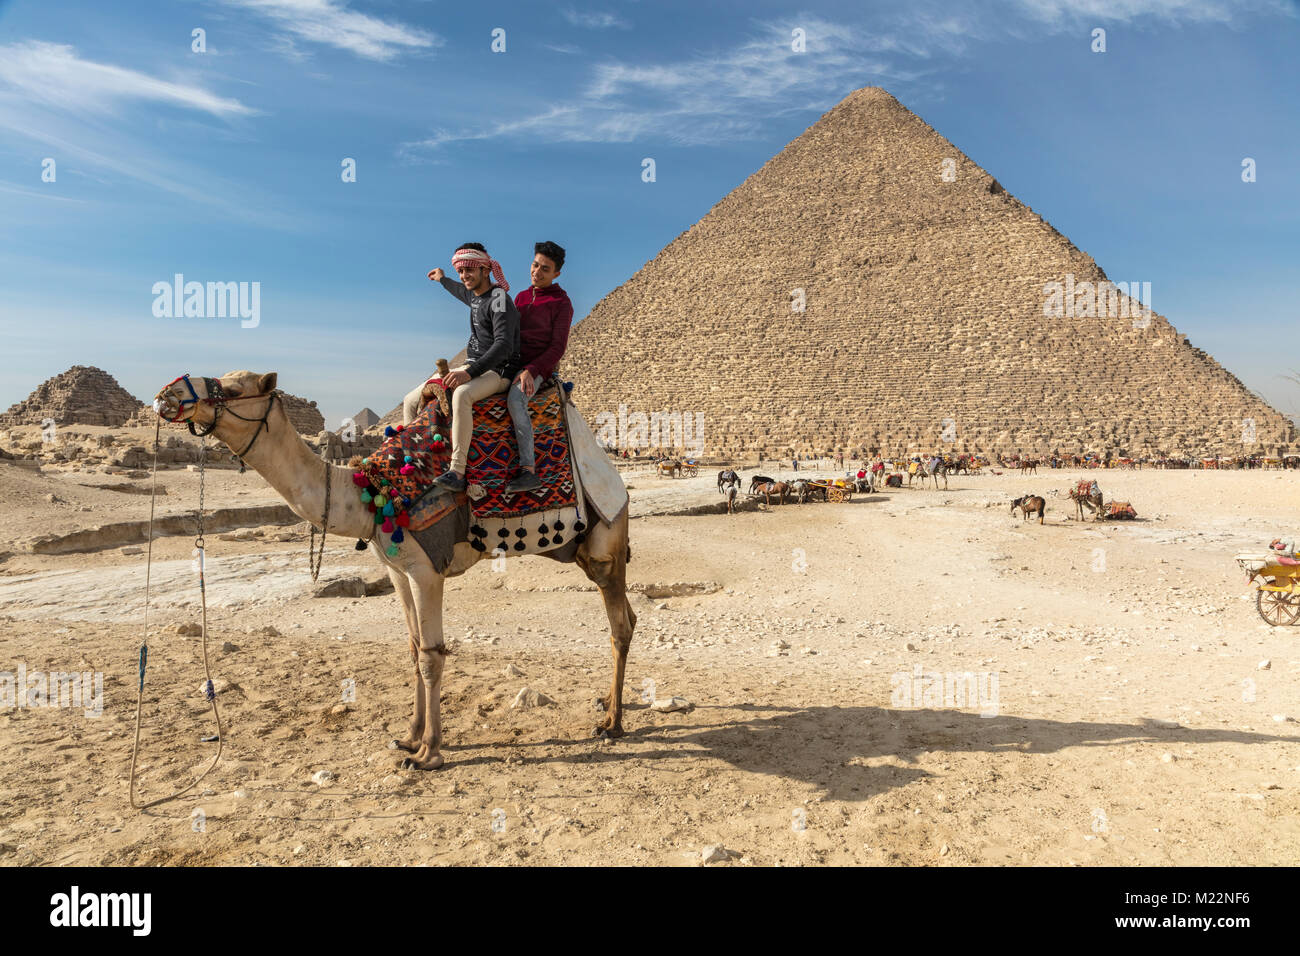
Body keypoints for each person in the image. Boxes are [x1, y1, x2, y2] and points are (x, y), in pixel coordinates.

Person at [412, 242, 521, 493]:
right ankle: (419, 463)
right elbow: (459, 290)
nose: (464, 276)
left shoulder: (498, 299)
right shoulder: (474, 295)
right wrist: (442, 279)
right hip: (474, 365)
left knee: (461, 394)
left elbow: (504, 345)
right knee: (413, 397)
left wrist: (468, 373)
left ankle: (457, 471)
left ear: (486, 270)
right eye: (461, 271)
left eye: (469, 270)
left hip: (499, 370)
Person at [504, 241, 574, 493]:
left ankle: (528, 470)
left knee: (515, 400)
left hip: (538, 369)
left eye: (545, 269)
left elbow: (557, 348)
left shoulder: (562, 303)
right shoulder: (520, 297)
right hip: (512, 363)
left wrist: (531, 370)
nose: (537, 272)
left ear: (557, 273)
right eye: (535, 265)